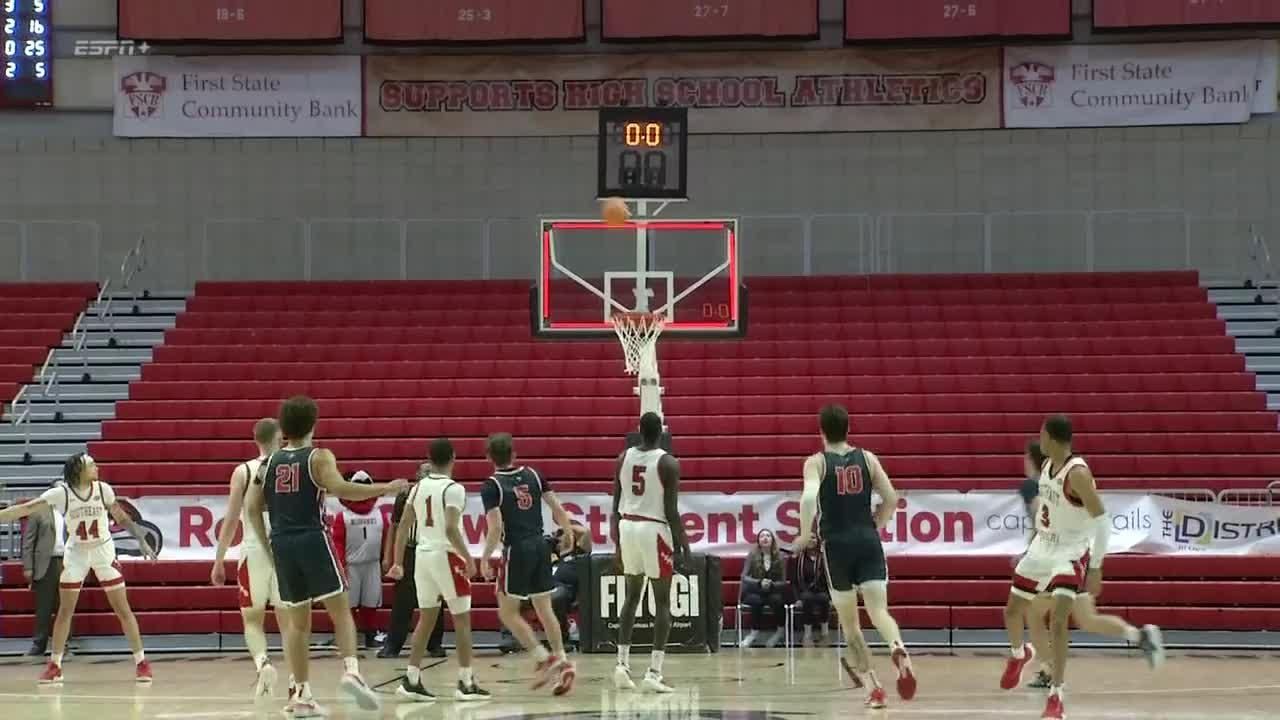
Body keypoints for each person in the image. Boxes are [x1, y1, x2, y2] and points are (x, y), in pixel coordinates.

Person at [243, 395, 406, 718]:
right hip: (313, 538)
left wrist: (267, 545)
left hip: (282, 544)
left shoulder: (268, 462)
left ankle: (301, 694)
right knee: (341, 610)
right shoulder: (319, 457)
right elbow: (342, 488)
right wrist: (386, 487)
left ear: (284, 428)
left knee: (298, 625)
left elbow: (251, 507)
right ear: (313, 424)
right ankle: (351, 671)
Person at [795, 404, 917, 710]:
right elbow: (891, 498)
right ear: (848, 429)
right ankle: (897, 647)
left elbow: (809, 496)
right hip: (867, 541)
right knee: (879, 612)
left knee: (851, 626)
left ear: (821, 430)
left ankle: (874, 688)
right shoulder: (868, 458)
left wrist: (803, 532)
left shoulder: (816, 462)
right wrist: (879, 523)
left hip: (836, 546)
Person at [1015, 442, 1165, 690]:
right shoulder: (1067, 478)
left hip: (1057, 562)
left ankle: (1048, 670)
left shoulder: (1035, 484)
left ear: (1033, 459)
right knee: (1087, 620)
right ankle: (1140, 636)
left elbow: (1040, 519)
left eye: (1025, 457)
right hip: (1077, 558)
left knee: (1033, 612)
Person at [0, 453, 157, 684]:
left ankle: (142, 662)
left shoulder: (103, 489)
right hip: (77, 554)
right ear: (78, 471)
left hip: (103, 552)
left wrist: (141, 539)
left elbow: (121, 517)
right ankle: (55, 665)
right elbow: (26, 509)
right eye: (91, 464)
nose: (97, 466)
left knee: (123, 609)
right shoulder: (61, 493)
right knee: (65, 610)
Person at [998, 415, 1108, 720]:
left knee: (1058, 619)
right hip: (1042, 547)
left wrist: (1096, 566)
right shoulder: (1047, 467)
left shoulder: (1078, 474)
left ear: (1055, 440)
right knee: (1011, 611)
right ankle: (1020, 655)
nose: (1039, 441)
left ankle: (1056, 694)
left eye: (1042, 436)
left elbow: (1103, 520)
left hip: (1070, 552)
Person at [387, 438, 489, 702]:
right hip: (446, 556)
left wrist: (398, 562)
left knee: (426, 618)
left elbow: (403, 525)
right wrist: (468, 557)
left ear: (429, 459)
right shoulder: (454, 489)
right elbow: (452, 528)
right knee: (462, 619)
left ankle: (411, 678)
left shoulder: (418, 487)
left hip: (422, 557)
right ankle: (466, 682)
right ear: (453, 457)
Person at [479, 432, 576, 696]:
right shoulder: (534, 474)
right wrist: (567, 530)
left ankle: (543, 657)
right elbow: (557, 507)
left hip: (517, 549)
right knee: (544, 609)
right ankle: (563, 660)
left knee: (507, 612)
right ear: (514, 453)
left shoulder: (491, 485)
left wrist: (486, 556)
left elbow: (496, 525)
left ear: (489, 457)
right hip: (540, 545)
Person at [611, 412, 690, 693]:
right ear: (662, 432)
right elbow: (670, 511)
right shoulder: (668, 462)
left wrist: (616, 544)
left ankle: (621, 665)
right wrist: (683, 543)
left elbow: (614, 503)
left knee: (631, 597)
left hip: (626, 526)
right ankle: (654, 672)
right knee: (663, 602)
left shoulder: (623, 457)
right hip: (653, 530)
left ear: (638, 431)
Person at [210, 418, 287, 698]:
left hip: (254, 550)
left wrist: (219, 560)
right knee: (290, 620)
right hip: (285, 550)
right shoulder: (291, 466)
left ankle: (263, 662)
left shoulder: (242, 471)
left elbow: (231, 521)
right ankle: (297, 685)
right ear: (280, 438)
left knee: (252, 619)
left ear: (255, 439)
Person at [379, 464, 444, 659]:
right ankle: (393, 645)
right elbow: (396, 527)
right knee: (403, 601)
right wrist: (390, 557)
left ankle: (435, 644)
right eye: (421, 474)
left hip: (433, 549)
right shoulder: (404, 497)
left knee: (435, 599)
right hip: (410, 550)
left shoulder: (442, 494)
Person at [332, 470, 389, 649]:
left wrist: (386, 559)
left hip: (372, 564)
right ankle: (349, 637)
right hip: (351, 566)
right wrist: (341, 568)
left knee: (370, 601)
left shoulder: (380, 515)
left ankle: (371, 636)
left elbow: (388, 539)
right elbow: (338, 545)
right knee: (349, 603)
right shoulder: (343, 517)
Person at [21, 481, 66, 657]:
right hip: (45, 563)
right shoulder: (38, 511)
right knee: (44, 607)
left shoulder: (69, 512)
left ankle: (64, 645)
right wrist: (28, 566)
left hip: (66, 562)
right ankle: (39, 644)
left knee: (65, 606)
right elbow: (28, 542)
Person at [739, 529, 788, 649]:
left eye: (768, 536)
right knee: (756, 600)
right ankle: (754, 633)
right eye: (762, 536)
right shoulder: (752, 554)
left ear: (772, 540)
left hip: (772, 590)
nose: (765, 538)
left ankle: (780, 632)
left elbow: (783, 581)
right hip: (755, 590)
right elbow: (744, 577)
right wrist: (759, 582)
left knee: (777, 600)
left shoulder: (780, 556)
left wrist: (772, 584)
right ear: (758, 541)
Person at [791, 538, 831, 646]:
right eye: (808, 537)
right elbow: (793, 581)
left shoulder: (824, 558)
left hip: (821, 590)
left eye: (813, 537)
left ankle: (825, 634)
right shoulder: (798, 558)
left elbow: (829, 580)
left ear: (817, 541)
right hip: (804, 590)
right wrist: (797, 599)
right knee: (807, 599)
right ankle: (807, 635)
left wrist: (832, 597)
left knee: (824, 598)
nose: (810, 540)